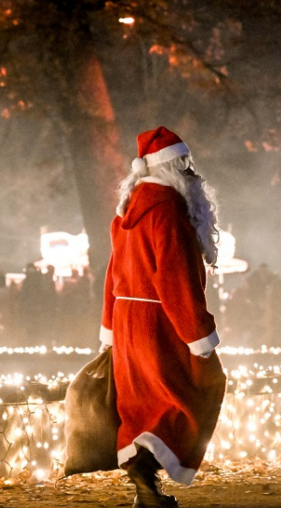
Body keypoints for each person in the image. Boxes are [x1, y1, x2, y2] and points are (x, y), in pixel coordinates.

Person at [100, 127, 226, 507]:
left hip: (126, 321)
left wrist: (108, 326)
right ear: (171, 167)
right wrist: (198, 334)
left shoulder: (128, 210)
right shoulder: (168, 208)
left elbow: (112, 274)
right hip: (159, 322)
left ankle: (146, 489)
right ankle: (146, 470)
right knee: (193, 390)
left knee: (142, 402)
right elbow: (174, 276)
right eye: (184, 165)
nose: (191, 173)